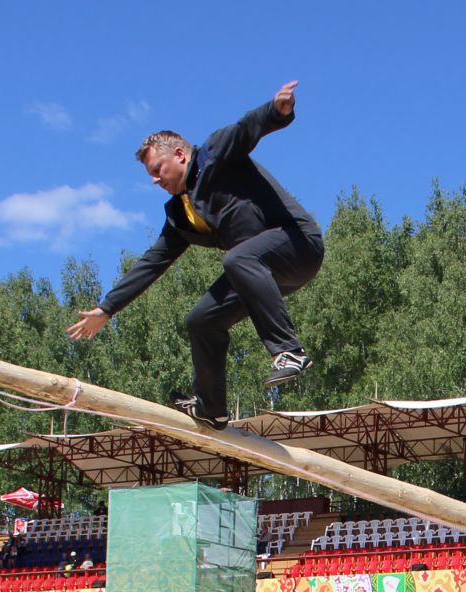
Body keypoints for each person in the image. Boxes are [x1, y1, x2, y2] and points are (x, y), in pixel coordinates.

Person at [67, 80, 323, 431]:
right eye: (150, 176)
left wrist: (276, 111)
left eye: (158, 170)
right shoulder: (179, 215)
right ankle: (211, 409)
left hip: (297, 244)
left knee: (237, 259)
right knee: (201, 319)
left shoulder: (215, 154)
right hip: (260, 270)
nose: (155, 180)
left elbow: (245, 130)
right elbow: (152, 263)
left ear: (181, 155)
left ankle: (289, 351)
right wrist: (107, 308)